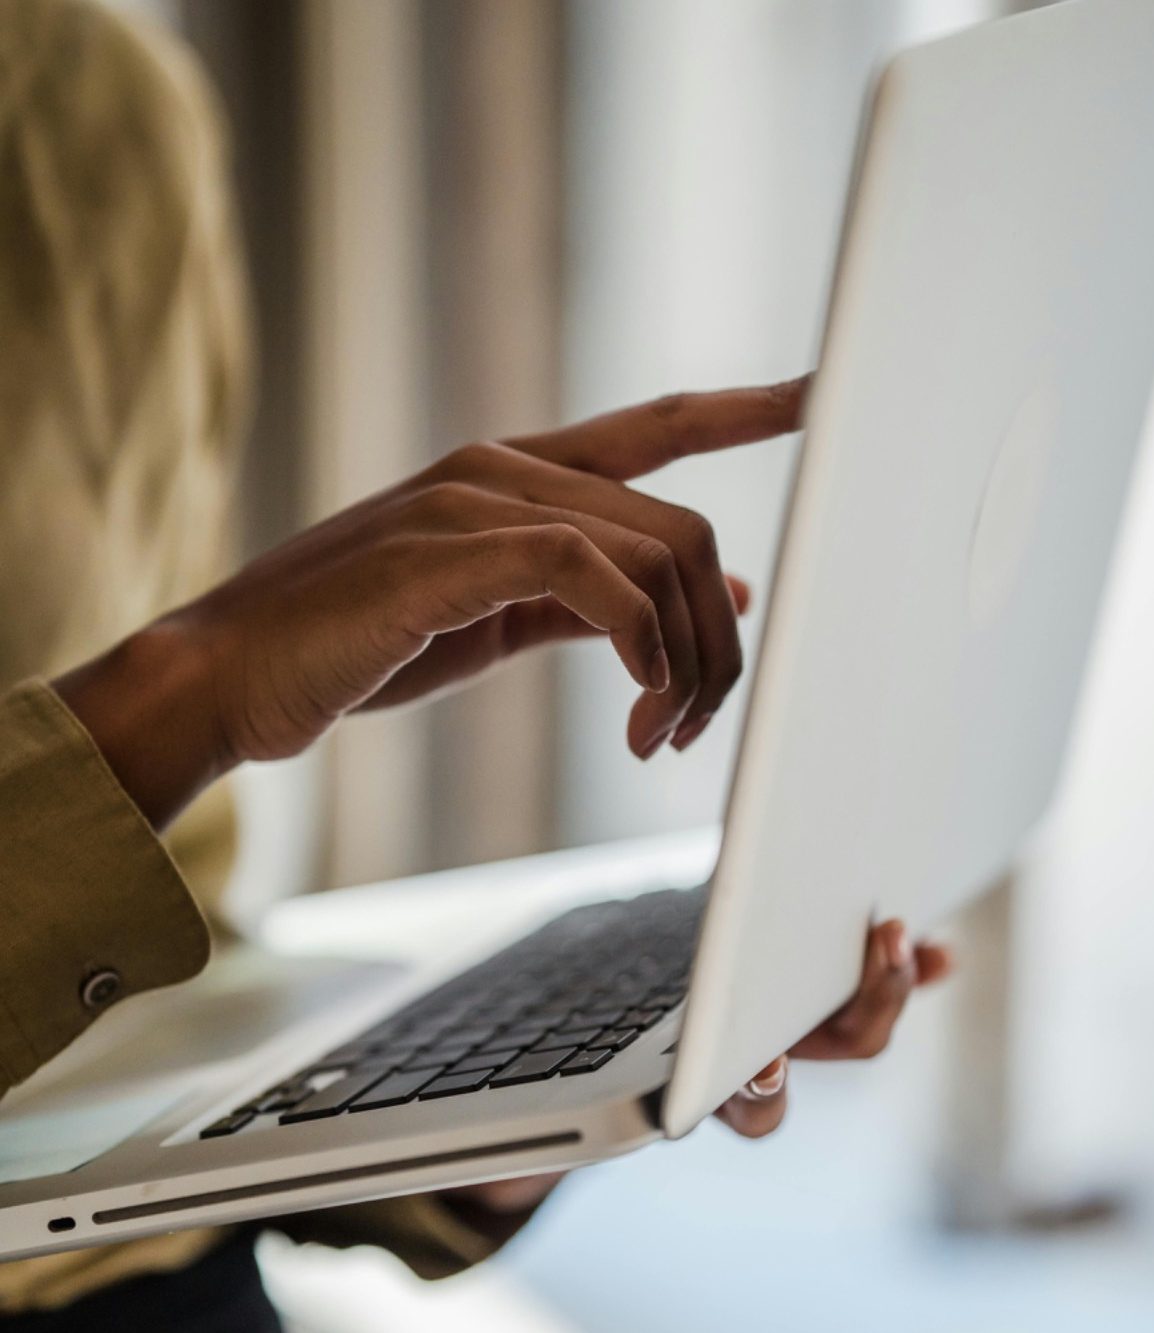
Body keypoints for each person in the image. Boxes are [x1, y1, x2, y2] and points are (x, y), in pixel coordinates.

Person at [0, 1, 952, 1327]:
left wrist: (480, 1110)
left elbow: (147, 975)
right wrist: (183, 689)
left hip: (158, 1286)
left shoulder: (99, 108)